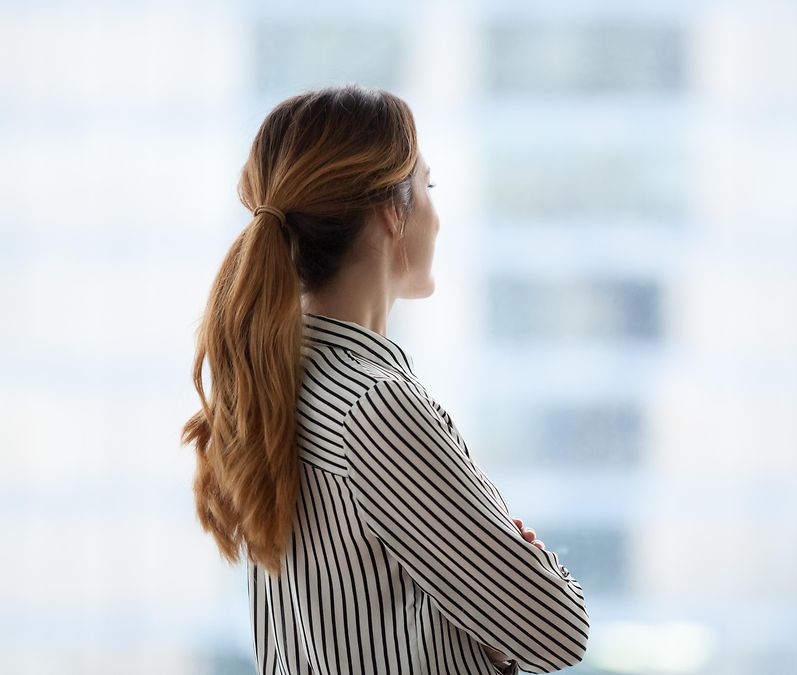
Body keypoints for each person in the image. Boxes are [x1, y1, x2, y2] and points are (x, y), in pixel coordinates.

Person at [181, 83, 590, 674]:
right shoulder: (375, 405)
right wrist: (507, 578)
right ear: (389, 212)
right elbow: (558, 632)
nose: (438, 215)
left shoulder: (283, 380)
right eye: (428, 187)